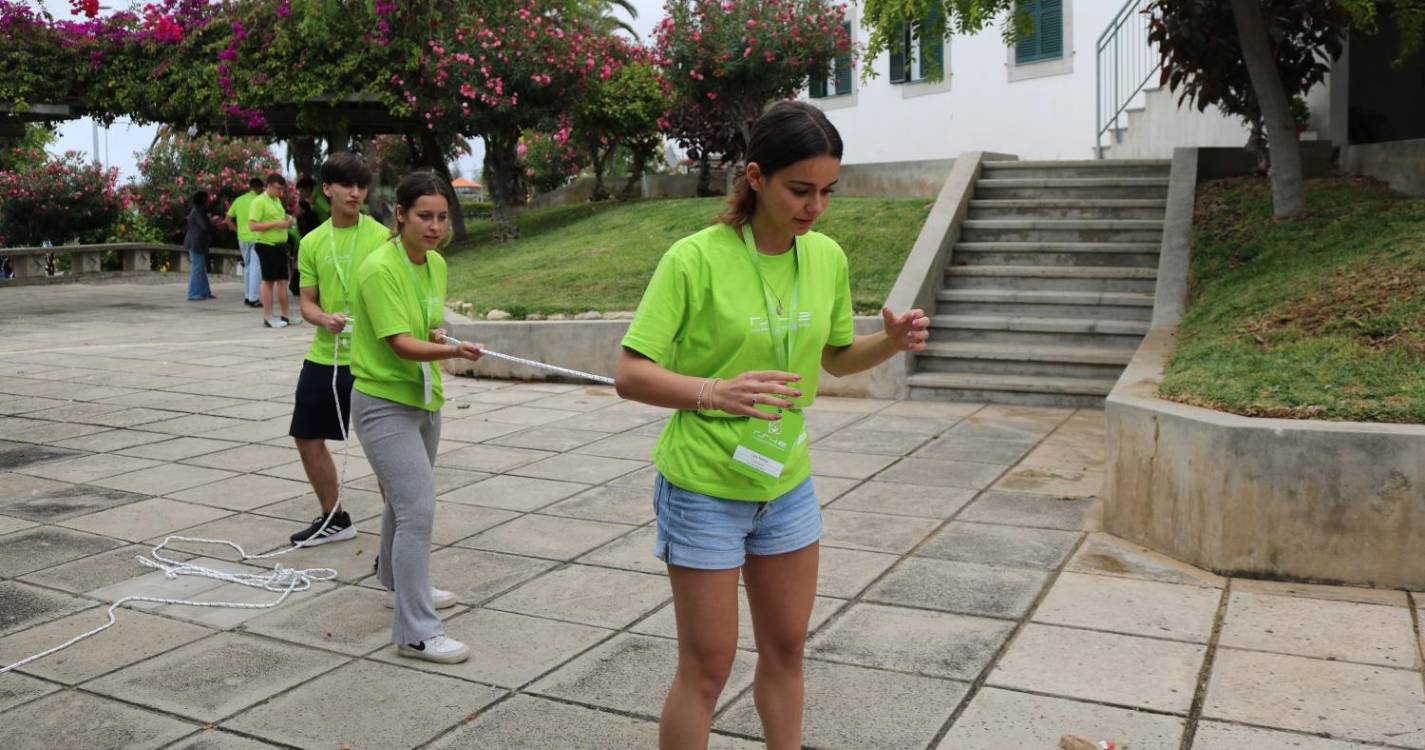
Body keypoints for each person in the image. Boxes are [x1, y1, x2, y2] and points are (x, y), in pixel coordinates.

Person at [613, 101, 930, 750]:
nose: (816, 207)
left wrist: (890, 343)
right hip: (703, 487)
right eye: (800, 189)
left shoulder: (826, 258)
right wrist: (713, 392)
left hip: (785, 485)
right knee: (707, 667)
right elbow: (630, 373)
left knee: (786, 650)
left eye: (828, 191)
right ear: (755, 177)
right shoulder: (693, 260)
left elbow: (836, 358)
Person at [350, 170, 484, 664]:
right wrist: (454, 351)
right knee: (417, 507)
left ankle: (395, 580)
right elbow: (401, 344)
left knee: (402, 502)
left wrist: (442, 336)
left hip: (424, 398)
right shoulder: (378, 269)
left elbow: (424, 326)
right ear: (400, 215)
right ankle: (416, 631)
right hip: (382, 403)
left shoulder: (435, 264)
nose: (435, 227)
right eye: (425, 216)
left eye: (442, 217)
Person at [287, 153, 391, 546]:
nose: (355, 193)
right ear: (327, 189)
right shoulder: (312, 242)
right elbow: (307, 303)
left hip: (372, 359)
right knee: (306, 436)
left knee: (385, 448)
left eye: (361, 186)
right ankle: (334, 517)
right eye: (347, 185)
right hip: (325, 357)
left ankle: (395, 535)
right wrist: (323, 318)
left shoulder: (382, 237)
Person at [248, 173, 297, 328]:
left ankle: (286, 315)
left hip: (279, 245)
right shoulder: (259, 202)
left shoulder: (276, 200)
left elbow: (276, 218)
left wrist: (287, 219)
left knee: (283, 281)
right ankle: (268, 316)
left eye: (282, 189)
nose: (280, 192)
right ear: (268, 186)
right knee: (268, 281)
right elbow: (252, 225)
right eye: (278, 189)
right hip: (266, 245)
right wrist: (276, 224)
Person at [224, 177, 265, 308]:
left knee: (247, 266)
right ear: (259, 188)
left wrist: (237, 230)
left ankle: (247, 296)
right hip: (257, 237)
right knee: (256, 267)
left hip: (242, 238)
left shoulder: (239, 200)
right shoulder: (260, 200)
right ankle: (254, 298)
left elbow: (228, 218)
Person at [183, 191, 218, 301]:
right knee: (197, 269)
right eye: (207, 199)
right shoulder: (198, 211)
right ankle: (193, 293)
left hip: (196, 242)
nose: (209, 201)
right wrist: (214, 224)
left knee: (200, 269)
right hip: (196, 243)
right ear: (203, 200)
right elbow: (205, 227)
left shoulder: (197, 210)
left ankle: (204, 292)